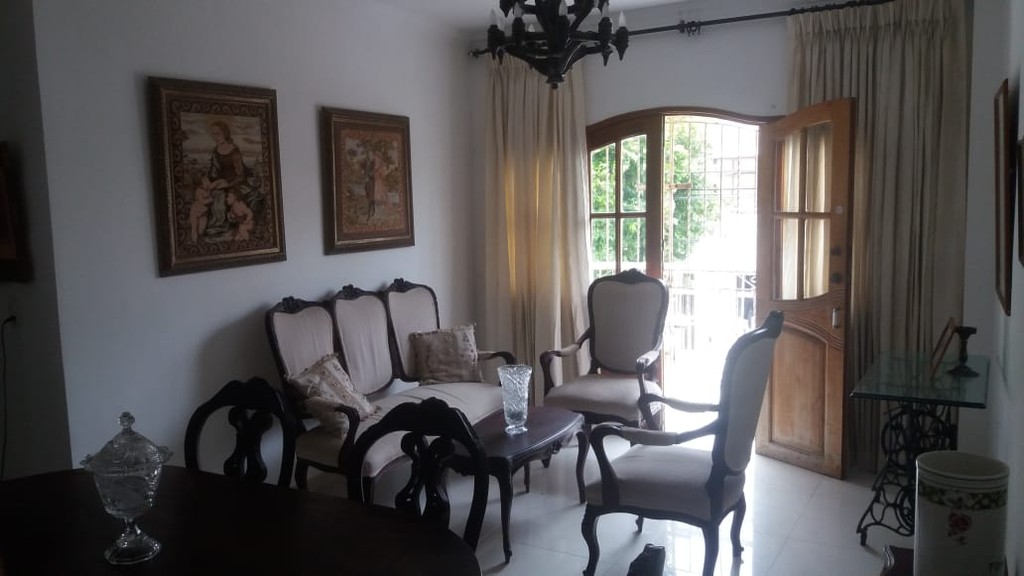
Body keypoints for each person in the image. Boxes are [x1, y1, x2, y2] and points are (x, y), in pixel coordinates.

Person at [189, 121, 247, 242]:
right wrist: (210, 182)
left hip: (234, 182)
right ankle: (202, 225)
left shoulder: (234, 151)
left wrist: (227, 183)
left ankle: (219, 226)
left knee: (220, 196)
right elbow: (213, 172)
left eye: (218, 134)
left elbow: (241, 175)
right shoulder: (216, 151)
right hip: (219, 182)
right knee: (205, 193)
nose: (215, 137)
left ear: (225, 133)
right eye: (213, 134)